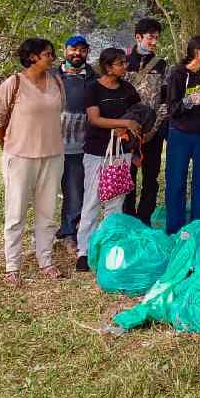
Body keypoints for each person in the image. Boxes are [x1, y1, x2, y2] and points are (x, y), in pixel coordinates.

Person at [0, 38, 65, 283]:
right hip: (19, 157)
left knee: (48, 211)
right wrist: (9, 146)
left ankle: (46, 260)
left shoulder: (56, 82)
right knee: (16, 212)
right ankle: (12, 266)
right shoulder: (14, 83)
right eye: (47, 54)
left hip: (52, 155)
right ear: (32, 57)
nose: (52, 58)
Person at [75, 48, 142, 272]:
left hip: (121, 152)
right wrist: (124, 124)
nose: (125, 66)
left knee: (116, 201)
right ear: (107, 67)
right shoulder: (93, 89)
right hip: (97, 152)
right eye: (120, 63)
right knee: (92, 200)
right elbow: (95, 119)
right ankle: (84, 250)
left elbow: (137, 114)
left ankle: (110, 247)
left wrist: (133, 140)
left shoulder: (128, 89)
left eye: (125, 62)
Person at [164, 36, 200, 234]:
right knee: (176, 181)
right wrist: (187, 102)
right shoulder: (178, 74)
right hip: (179, 133)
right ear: (196, 52)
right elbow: (171, 108)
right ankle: (175, 229)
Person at [123, 18, 169, 226]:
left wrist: (155, 127)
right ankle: (128, 217)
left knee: (151, 177)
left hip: (153, 132)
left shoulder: (161, 64)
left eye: (157, 38)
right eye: (150, 37)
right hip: (127, 132)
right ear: (138, 37)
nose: (154, 42)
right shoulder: (123, 62)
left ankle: (145, 218)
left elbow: (165, 97)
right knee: (127, 176)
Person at [54, 35, 97, 253]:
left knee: (74, 190)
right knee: (44, 191)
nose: (77, 53)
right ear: (65, 50)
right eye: (73, 49)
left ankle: (69, 232)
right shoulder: (51, 75)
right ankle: (44, 233)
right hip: (49, 145)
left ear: (87, 52)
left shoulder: (93, 78)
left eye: (82, 50)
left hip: (79, 146)